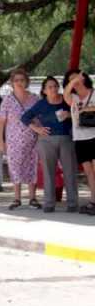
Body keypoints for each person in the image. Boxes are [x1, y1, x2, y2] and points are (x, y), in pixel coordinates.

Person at [20, 76, 78, 213]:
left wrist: (68, 115)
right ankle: (49, 203)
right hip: (46, 141)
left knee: (70, 172)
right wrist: (37, 129)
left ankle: (72, 203)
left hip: (66, 139)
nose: (53, 89)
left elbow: (78, 112)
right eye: (50, 87)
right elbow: (24, 117)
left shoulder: (66, 100)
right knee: (48, 172)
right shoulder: (41, 104)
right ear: (44, 90)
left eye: (55, 86)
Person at [0, 68, 41, 210]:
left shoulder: (34, 98)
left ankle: (33, 197)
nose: (19, 83)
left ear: (26, 82)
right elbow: (1, 122)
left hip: (32, 139)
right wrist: (0, 141)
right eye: (16, 80)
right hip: (13, 140)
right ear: (12, 83)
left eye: (22, 80)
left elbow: (40, 119)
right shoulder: (7, 100)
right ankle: (17, 198)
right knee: (15, 167)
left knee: (32, 166)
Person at [63, 69, 95, 215]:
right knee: (89, 172)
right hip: (80, 138)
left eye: (77, 78)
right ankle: (93, 201)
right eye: (71, 80)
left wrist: (89, 108)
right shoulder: (73, 98)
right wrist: (73, 81)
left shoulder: (93, 93)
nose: (74, 81)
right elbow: (65, 95)